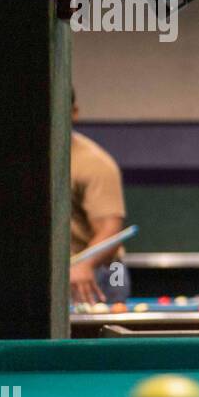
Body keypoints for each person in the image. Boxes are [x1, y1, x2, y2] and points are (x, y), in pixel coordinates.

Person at [70, 89, 130, 304]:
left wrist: (83, 264)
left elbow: (111, 230)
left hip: (105, 272)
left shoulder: (95, 163)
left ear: (73, 113)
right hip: (62, 273)